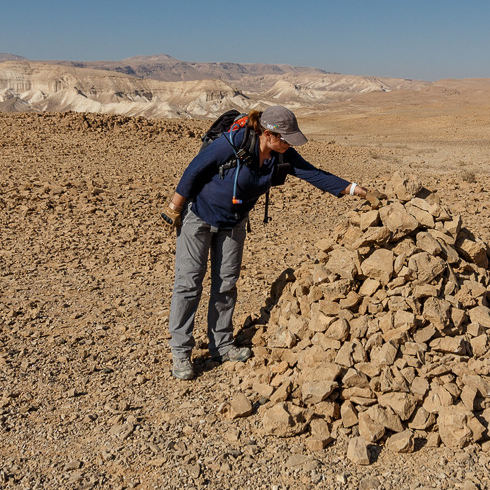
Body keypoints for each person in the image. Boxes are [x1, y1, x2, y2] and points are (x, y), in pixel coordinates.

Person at [160, 105, 376, 380]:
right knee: (188, 285)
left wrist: (357, 190)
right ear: (268, 133)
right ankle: (181, 353)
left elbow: (314, 174)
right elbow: (194, 170)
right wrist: (174, 208)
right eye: (285, 138)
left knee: (226, 283)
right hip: (199, 217)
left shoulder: (281, 154)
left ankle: (222, 345)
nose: (288, 144)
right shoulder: (232, 143)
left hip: (234, 222)